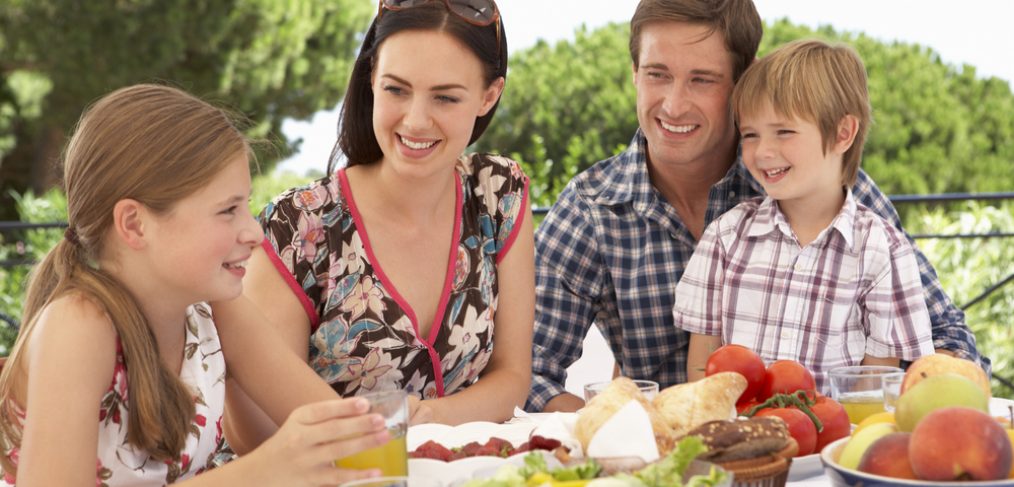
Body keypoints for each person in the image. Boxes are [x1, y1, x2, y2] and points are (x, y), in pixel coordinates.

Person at [527, 0, 988, 413]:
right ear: (634, 72)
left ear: (741, 83)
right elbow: (527, 372)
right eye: (657, 73)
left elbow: (948, 337)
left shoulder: (819, 183)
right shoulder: (592, 207)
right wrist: (628, 428)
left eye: (702, 80)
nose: (673, 103)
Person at [0, 84, 391, 486]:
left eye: (247, 206)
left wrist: (433, 446)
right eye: (228, 210)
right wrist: (258, 473)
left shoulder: (213, 307)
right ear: (134, 224)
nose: (255, 232)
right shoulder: (78, 326)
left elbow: (353, 439)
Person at [212, 0, 534, 454]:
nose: (416, 120)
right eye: (396, 90)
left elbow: (513, 377)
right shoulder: (300, 224)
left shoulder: (499, 192)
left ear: (489, 95)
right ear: (371, 81)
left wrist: (424, 423)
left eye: (445, 97)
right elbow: (256, 436)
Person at [675, 39, 935, 392]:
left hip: (829, 443)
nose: (763, 151)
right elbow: (701, 371)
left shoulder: (881, 251)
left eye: (784, 131)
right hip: (738, 441)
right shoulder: (725, 237)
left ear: (843, 133)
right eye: (750, 134)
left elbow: (875, 386)